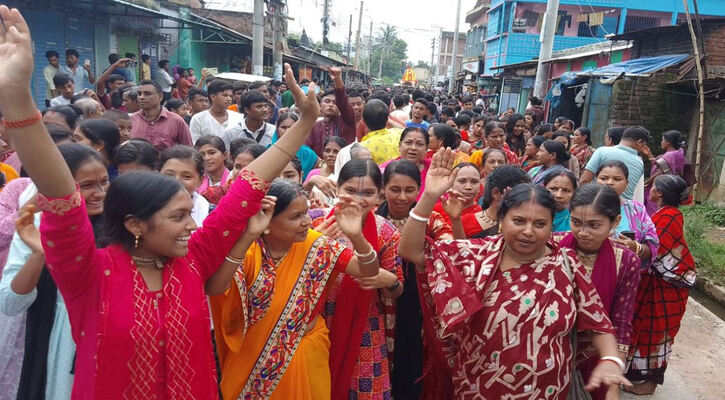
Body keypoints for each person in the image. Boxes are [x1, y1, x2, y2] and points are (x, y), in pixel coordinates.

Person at [0, 11, 317, 394]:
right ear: (135, 224)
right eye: (179, 216)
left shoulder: (193, 259)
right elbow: (60, 193)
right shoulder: (88, 273)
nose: (192, 224)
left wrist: (304, 123)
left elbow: (246, 189)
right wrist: (17, 98)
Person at [398, 148, 630, 399]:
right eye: (518, 221)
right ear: (502, 220)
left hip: (548, 391)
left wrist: (609, 359)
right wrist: (429, 195)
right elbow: (411, 250)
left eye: (539, 224)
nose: (529, 231)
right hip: (480, 388)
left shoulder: (566, 264)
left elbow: (598, 323)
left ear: (552, 226)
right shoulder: (477, 256)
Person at [210, 177, 381, 400]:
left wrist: (357, 236)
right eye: (295, 217)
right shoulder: (248, 251)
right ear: (268, 221)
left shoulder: (316, 245)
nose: (307, 222)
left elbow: (368, 270)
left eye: (306, 213)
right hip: (252, 359)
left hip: (307, 350)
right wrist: (249, 234)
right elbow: (216, 289)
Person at [1, 144, 109, 400]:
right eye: (87, 186)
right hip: (58, 338)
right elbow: (10, 302)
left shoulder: (122, 224)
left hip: (112, 338)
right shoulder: (37, 225)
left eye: (104, 182)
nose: (100, 193)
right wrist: (40, 254)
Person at [308, 159, 403, 400]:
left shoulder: (386, 231)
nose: (359, 200)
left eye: (368, 193)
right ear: (337, 189)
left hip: (365, 325)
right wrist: (314, 243)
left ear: (378, 196)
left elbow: (397, 289)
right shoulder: (316, 222)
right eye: (350, 191)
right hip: (317, 321)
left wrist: (387, 281)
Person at [377, 159, 453, 400]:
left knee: (413, 355)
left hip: (420, 303)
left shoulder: (432, 221)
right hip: (380, 302)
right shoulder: (371, 219)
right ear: (383, 188)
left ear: (419, 190)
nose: (401, 197)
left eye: (409, 190)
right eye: (394, 189)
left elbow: (450, 249)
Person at [560, 184, 642, 400]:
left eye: (594, 225)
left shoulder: (625, 261)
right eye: (576, 222)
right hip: (553, 353)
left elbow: (621, 321)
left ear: (614, 222)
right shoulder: (553, 246)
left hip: (595, 356)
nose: (583, 233)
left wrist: (614, 380)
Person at [626, 175, 696, 395]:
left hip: (664, 287)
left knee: (656, 333)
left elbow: (659, 251)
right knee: (644, 328)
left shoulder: (668, 218)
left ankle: (650, 382)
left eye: (653, 187)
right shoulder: (666, 214)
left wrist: (635, 248)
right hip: (656, 283)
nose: (650, 189)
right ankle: (635, 373)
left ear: (660, 193)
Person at [595, 161, 658, 268]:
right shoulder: (585, 206)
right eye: (604, 178)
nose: (609, 182)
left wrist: (636, 247)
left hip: (627, 273)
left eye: (617, 179)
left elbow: (652, 245)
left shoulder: (636, 209)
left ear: (626, 183)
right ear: (595, 180)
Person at [456, 165, 531, 238]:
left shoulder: (527, 226)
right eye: (519, 194)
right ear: (496, 193)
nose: (525, 199)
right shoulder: (464, 223)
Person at [580, 125, 649, 200]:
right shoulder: (639, 163)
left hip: (598, 203)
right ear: (639, 142)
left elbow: (584, 181)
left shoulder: (602, 151)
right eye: (643, 145)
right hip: (624, 208)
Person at [305, 67, 357, 157]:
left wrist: (337, 79)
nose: (331, 105)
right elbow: (308, 149)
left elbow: (343, 101)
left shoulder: (347, 121)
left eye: (335, 102)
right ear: (320, 106)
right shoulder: (315, 126)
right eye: (327, 101)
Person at [130, 79, 193, 151]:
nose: (141, 97)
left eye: (147, 94)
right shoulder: (132, 120)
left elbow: (188, 151)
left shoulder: (176, 121)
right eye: (139, 94)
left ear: (160, 96)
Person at [158, 146, 209, 227]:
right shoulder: (145, 208)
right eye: (169, 175)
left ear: (200, 180)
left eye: (187, 176)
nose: (177, 181)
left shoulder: (210, 213)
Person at [643, 130, 689, 215]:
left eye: (663, 140)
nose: (662, 142)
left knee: (654, 210)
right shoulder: (679, 153)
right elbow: (659, 166)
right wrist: (649, 154)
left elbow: (660, 172)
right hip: (670, 188)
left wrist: (646, 183)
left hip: (660, 187)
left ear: (668, 142)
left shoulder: (669, 155)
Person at [379, 127, 431, 200]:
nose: (413, 148)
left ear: (426, 149)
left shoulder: (434, 170)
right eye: (408, 143)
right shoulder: (384, 170)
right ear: (400, 145)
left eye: (419, 144)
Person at [271, 113, 319, 181]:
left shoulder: (309, 155)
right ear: (277, 129)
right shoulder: (267, 153)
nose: (287, 131)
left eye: (292, 127)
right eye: (283, 127)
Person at [432, 162, 481, 227]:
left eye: (474, 182)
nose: (468, 187)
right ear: (451, 183)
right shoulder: (435, 211)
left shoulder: (481, 217)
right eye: (462, 181)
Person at [359, 99, 402, 165]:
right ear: (387, 118)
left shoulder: (362, 148)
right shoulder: (399, 133)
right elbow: (405, 130)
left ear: (364, 121)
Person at [194, 135, 229, 205]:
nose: (206, 158)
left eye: (212, 153)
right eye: (202, 154)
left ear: (224, 155)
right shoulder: (195, 181)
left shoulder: (232, 179)